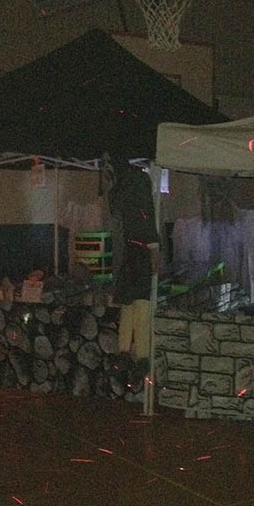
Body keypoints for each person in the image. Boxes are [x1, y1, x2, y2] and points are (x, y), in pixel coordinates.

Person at [107, 162, 159, 383]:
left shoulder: (119, 194)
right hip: (139, 253)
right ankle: (141, 356)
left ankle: (124, 352)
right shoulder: (139, 190)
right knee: (141, 306)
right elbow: (148, 221)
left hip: (128, 253)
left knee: (129, 306)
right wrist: (154, 252)